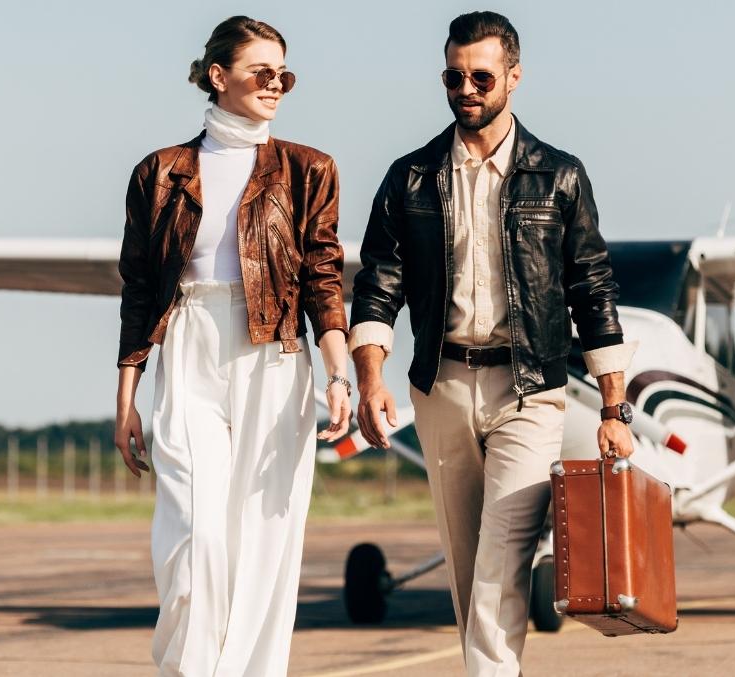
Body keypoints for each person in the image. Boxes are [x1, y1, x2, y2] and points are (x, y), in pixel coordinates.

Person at [349, 11, 637, 675]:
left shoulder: (560, 176)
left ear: (514, 77)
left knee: (503, 554)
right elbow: (378, 287)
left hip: (530, 389)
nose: (466, 88)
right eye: (454, 76)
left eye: (481, 76)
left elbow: (592, 288)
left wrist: (615, 409)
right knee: (465, 560)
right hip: (441, 386)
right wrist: (370, 381)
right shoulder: (410, 177)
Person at [112, 15, 351, 677]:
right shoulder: (160, 173)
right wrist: (127, 394)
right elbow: (137, 289)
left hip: (276, 356)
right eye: (261, 73)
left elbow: (323, 277)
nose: (275, 85)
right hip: (190, 345)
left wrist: (338, 374)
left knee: (265, 538)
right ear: (219, 77)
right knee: (195, 527)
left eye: (285, 75)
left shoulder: (310, 170)